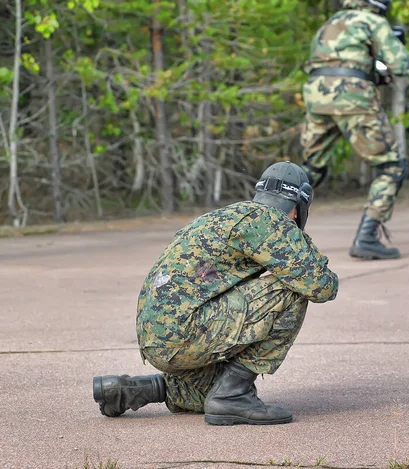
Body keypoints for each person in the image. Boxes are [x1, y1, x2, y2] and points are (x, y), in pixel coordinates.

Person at [92, 162, 339, 426]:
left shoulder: (227, 215)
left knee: (209, 394)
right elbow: (321, 286)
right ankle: (233, 395)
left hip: (158, 338)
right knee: (291, 291)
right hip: (185, 330)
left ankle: (136, 389)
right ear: (298, 206)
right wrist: (301, 241)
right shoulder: (269, 220)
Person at [300, 0, 409, 260]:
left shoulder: (330, 22)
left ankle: (268, 229)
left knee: (311, 169)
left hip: (316, 94)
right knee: (392, 166)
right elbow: (403, 65)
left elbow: (328, 62)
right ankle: (366, 237)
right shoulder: (372, 21)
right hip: (352, 95)